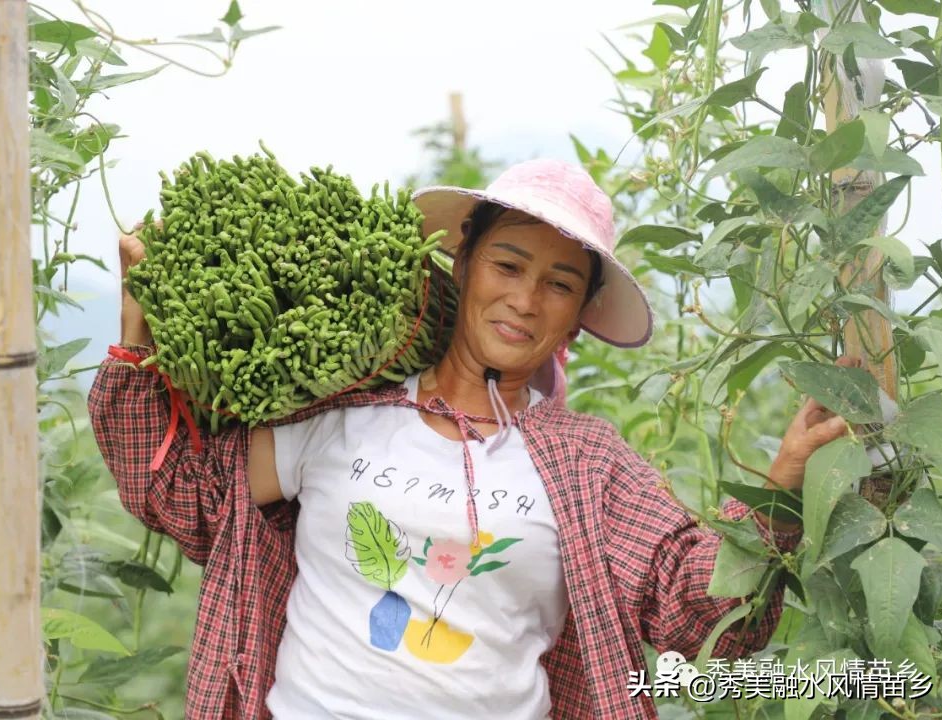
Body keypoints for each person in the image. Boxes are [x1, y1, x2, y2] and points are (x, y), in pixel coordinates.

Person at [89, 159, 851, 719]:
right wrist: (139, 329)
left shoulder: (586, 464)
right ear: (464, 265)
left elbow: (696, 615)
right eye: (508, 264)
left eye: (559, 283)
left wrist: (783, 485)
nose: (525, 299)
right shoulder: (342, 417)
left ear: (579, 311)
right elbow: (180, 494)